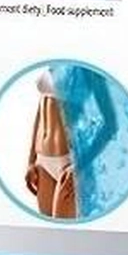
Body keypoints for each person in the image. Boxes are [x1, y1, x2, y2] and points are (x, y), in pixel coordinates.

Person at [24, 69, 77, 218]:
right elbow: (40, 112)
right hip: (42, 162)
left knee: (63, 228)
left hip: (66, 163)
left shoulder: (77, 68)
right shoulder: (49, 64)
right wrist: (31, 161)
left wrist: (79, 166)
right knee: (49, 227)